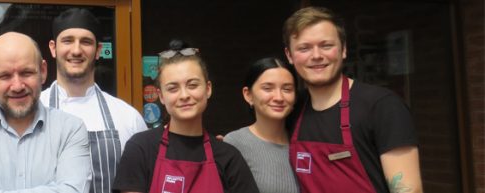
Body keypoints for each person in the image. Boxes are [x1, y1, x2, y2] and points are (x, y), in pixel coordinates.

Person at [282, 7, 422, 193]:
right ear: (289, 56)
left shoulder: (382, 106)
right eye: (304, 48)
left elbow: (407, 190)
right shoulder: (292, 109)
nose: (316, 56)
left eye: (326, 45)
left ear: (344, 49)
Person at [0, 32, 91, 193]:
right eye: (5, 76)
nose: (17, 86)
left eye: (26, 73)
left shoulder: (70, 129)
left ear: (43, 71)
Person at [113, 40, 258, 193]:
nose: (184, 95)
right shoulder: (141, 148)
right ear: (161, 96)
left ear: (208, 89)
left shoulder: (228, 157)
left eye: (192, 85)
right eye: (173, 88)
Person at [41, 8, 148, 193]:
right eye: (67, 41)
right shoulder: (34, 111)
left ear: (98, 50)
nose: (76, 50)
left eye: (86, 42)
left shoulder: (128, 118)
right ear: (53, 48)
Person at [223, 57, 299, 193]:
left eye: (287, 89)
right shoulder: (234, 143)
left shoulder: (304, 142)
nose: (279, 97)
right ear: (248, 95)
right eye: (268, 88)